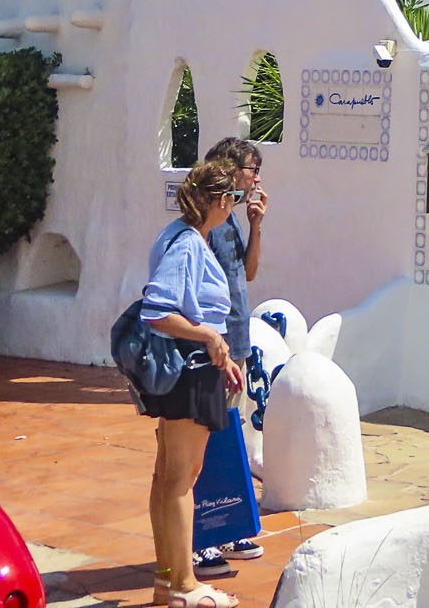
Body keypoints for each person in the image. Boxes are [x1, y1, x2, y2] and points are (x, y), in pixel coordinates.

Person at [138, 155, 246, 608]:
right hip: (190, 371)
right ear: (220, 201)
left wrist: (219, 350)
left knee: (168, 476)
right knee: (182, 479)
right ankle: (184, 584)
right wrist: (209, 338)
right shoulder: (187, 244)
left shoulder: (178, 236)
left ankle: (167, 578)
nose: (235, 204)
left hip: (189, 368)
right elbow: (157, 310)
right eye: (234, 196)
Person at [191, 138, 269, 579]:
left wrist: (256, 226)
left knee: (227, 436)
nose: (256, 178)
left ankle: (228, 527)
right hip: (216, 346)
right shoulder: (206, 223)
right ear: (229, 169)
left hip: (235, 342)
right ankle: (202, 537)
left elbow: (248, 273)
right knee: (205, 441)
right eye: (251, 169)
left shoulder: (233, 218)